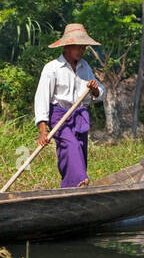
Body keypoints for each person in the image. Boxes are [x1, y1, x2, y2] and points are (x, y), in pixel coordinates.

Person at [33, 24, 104, 188]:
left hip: (79, 116)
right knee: (70, 146)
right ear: (67, 47)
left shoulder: (84, 67)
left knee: (79, 150)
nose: (81, 51)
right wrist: (43, 130)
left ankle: (70, 186)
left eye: (83, 47)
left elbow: (101, 91)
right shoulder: (52, 68)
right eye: (77, 47)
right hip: (59, 117)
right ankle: (79, 181)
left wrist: (94, 90)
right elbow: (42, 98)